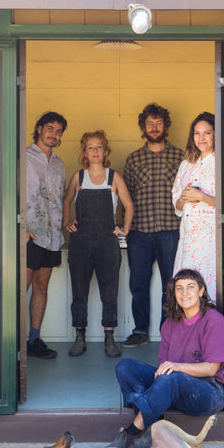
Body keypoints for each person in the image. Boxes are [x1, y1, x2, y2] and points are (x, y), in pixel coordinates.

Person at [112, 268, 224, 448]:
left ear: (201, 291)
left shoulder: (213, 320)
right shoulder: (170, 323)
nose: (184, 292)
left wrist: (178, 367)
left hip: (207, 392)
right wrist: (166, 377)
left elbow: (211, 368)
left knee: (171, 375)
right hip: (174, 386)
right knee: (125, 367)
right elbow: (163, 366)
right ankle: (154, 420)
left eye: (190, 287)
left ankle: (132, 433)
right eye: (179, 288)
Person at [63, 130, 134, 358]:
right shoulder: (78, 177)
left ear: (106, 151)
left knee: (109, 291)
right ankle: (79, 337)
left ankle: (109, 338)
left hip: (107, 242)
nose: (95, 151)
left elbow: (129, 205)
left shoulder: (114, 177)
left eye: (99, 147)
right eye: (90, 147)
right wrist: (67, 222)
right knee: (79, 290)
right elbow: (66, 200)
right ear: (85, 152)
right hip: (81, 242)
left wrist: (125, 230)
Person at [122, 103, 185, 347]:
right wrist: (124, 229)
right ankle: (139, 331)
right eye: (149, 123)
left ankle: (168, 332)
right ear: (143, 126)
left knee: (172, 284)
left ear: (165, 126)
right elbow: (125, 199)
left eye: (158, 123)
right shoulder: (134, 159)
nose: (154, 127)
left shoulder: (180, 157)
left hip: (171, 229)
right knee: (138, 283)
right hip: (139, 231)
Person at [26, 111, 68, 359]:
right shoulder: (24, 157)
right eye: (50, 128)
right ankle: (15, 344)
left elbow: (61, 197)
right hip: (29, 234)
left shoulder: (59, 163)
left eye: (59, 131)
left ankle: (33, 340)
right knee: (23, 288)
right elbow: (9, 192)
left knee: (42, 287)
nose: (54, 134)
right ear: (39, 128)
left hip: (51, 235)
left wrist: (63, 226)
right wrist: (19, 228)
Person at [172, 112, 217, 302]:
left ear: (216, 134)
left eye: (207, 133)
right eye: (197, 133)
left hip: (211, 238)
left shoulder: (222, 163)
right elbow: (176, 203)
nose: (201, 138)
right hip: (188, 238)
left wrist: (201, 196)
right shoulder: (186, 164)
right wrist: (183, 199)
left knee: (208, 286)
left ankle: (209, 328)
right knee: (187, 288)